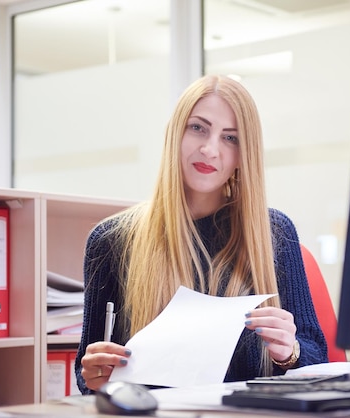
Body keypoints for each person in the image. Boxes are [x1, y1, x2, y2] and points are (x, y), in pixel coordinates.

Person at [74, 75, 328, 394]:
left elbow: (319, 361)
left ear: (243, 155)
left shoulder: (273, 233)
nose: (210, 149)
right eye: (198, 128)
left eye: (230, 138)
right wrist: (95, 376)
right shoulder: (111, 240)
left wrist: (289, 353)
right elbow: (88, 375)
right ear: (175, 134)